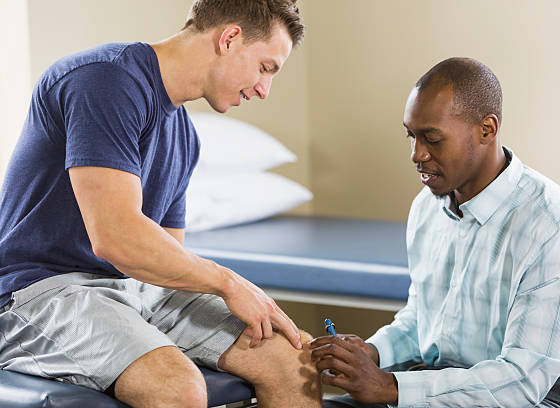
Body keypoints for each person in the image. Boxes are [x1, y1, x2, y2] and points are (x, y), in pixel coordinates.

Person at [0, 1, 322, 407]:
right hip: (39, 291)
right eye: (265, 68)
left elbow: (165, 258)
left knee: (295, 359)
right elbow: (116, 239)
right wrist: (229, 283)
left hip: (134, 289)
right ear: (230, 38)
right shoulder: (104, 80)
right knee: (177, 386)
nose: (263, 89)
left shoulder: (185, 136)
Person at [310, 57, 560, 408]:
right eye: (411, 136)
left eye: (431, 139)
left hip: (538, 398)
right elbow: (424, 321)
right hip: (438, 380)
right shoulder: (427, 208)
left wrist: (391, 388)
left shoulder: (553, 224)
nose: (417, 154)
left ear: (486, 130)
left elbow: (521, 382)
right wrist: (372, 352)